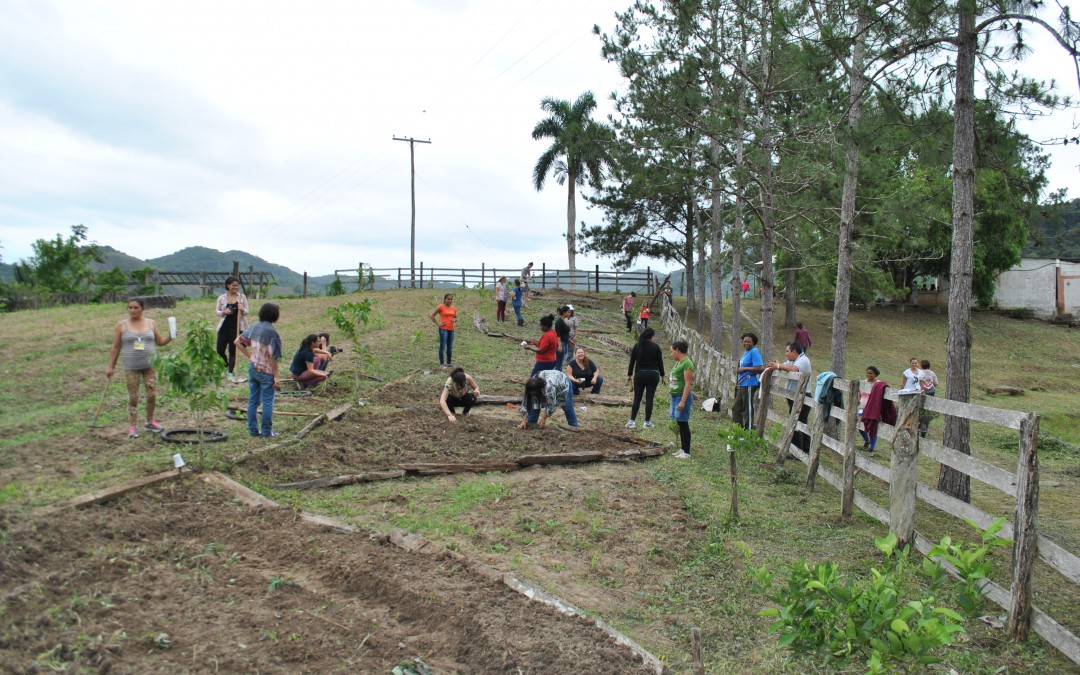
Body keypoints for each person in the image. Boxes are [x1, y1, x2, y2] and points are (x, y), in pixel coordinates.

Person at [106, 297, 174, 439]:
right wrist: (110, 366)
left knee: (152, 395)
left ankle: (150, 421)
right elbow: (116, 347)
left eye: (136, 307)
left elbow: (159, 341)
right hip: (131, 366)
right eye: (130, 307)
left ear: (143, 309)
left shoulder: (151, 323)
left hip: (150, 365)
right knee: (133, 397)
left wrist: (170, 337)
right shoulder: (122, 325)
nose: (132, 310)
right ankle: (133, 426)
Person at [236, 303, 283, 438]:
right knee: (268, 401)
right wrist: (276, 376)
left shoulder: (255, 326)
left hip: (253, 368)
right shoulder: (273, 333)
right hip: (266, 370)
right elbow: (274, 357)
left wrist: (250, 356)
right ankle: (267, 432)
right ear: (275, 315)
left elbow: (237, 342)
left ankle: (252, 430)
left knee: (253, 400)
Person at [765, 342, 812, 454]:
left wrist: (778, 366)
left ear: (794, 352)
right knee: (798, 421)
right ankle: (804, 450)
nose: (785, 354)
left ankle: (798, 451)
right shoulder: (792, 360)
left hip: (802, 396)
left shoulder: (803, 360)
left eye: (787, 351)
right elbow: (784, 366)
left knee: (797, 422)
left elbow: (793, 369)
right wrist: (777, 365)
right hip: (794, 396)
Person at [625, 327, 665, 429]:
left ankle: (632, 421)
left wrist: (629, 375)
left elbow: (632, 362)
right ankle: (647, 422)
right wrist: (662, 375)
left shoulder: (637, 346)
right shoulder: (656, 347)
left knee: (637, 398)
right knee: (649, 398)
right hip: (653, 374)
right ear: (652, 336)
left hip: (640, 374)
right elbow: (660, 362)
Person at [214, 276, 249, 383]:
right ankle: (226, 366)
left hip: (237, 327)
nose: (235, 287)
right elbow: (217, 312)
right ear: (228, 285)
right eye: (233, 285)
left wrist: (242, 309)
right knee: (219, 349)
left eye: (237, 285)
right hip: (224, 327)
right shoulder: (221, 298)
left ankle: (230, 372)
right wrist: (224, 312)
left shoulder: (242, 297)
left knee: (233, 351)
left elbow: (247, 311)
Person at [668, 340, 695, 458]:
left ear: (678, 350)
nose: (671, 354)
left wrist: (683, 401)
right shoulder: (679, 362)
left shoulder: (687, 363)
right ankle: (683, 449)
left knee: (683, 423)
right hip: (675, 395)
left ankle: (687, 452)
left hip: (681, 396)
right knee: (679, 422)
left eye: (672, 351)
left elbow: (688, 383)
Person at [732, 332, 764, 429]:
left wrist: (744, 369)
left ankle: (748, 432)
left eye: (749, 342)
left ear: (753, 342)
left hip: (749, 383)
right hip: (743, 383)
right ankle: (739, 431)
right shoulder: (747, 352)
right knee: (735, 408)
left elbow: (760, 368)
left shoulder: (754, 351)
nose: (746, 343)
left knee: (747, 408)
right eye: (744, 341)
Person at [858, 366, 893, 452]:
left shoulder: (879, 384)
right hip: (862, 408)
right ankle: (867, 440)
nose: (869, 374)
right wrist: (857, 403)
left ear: (875, 374)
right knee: (860, 426)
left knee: (873, 427)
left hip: (873, 410)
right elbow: (859, 395)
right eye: (868, 373)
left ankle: (872, 447)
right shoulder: (863, 382)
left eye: (871, 373)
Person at [429, 293, 457, 369]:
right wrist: (438, 323)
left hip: (451, 329)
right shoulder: (441, 307)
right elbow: (432, 315)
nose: (450, 300)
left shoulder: (454, 308)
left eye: (451, 299)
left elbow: (455, 317)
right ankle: (442, 364)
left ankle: (449, 363)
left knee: (450, 347)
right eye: (448, 299)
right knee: (442, 346)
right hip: (443, 329)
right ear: (444, 299)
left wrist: (455, 319)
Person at [918, 359, 938, 438]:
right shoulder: (932, 373)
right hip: (931, 392)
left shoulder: (919, 372)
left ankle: (921, 425)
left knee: (920, 409)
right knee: (927, 410)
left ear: (921, 365)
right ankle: (925, 426)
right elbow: (936, 383)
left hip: (922, 392)